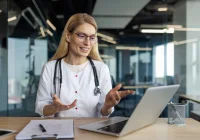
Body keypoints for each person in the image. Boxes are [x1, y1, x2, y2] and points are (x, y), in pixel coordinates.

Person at [35, 13, 134, 117]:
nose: (87, 43)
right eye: (82, 36)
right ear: (68, 36)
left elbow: (104, 112)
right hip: (60, 130)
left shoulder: (101, 69)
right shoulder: (50, 68)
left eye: (92, 38)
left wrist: (108, 106)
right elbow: (40, 105)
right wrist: (53, 108)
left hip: (90, 131)